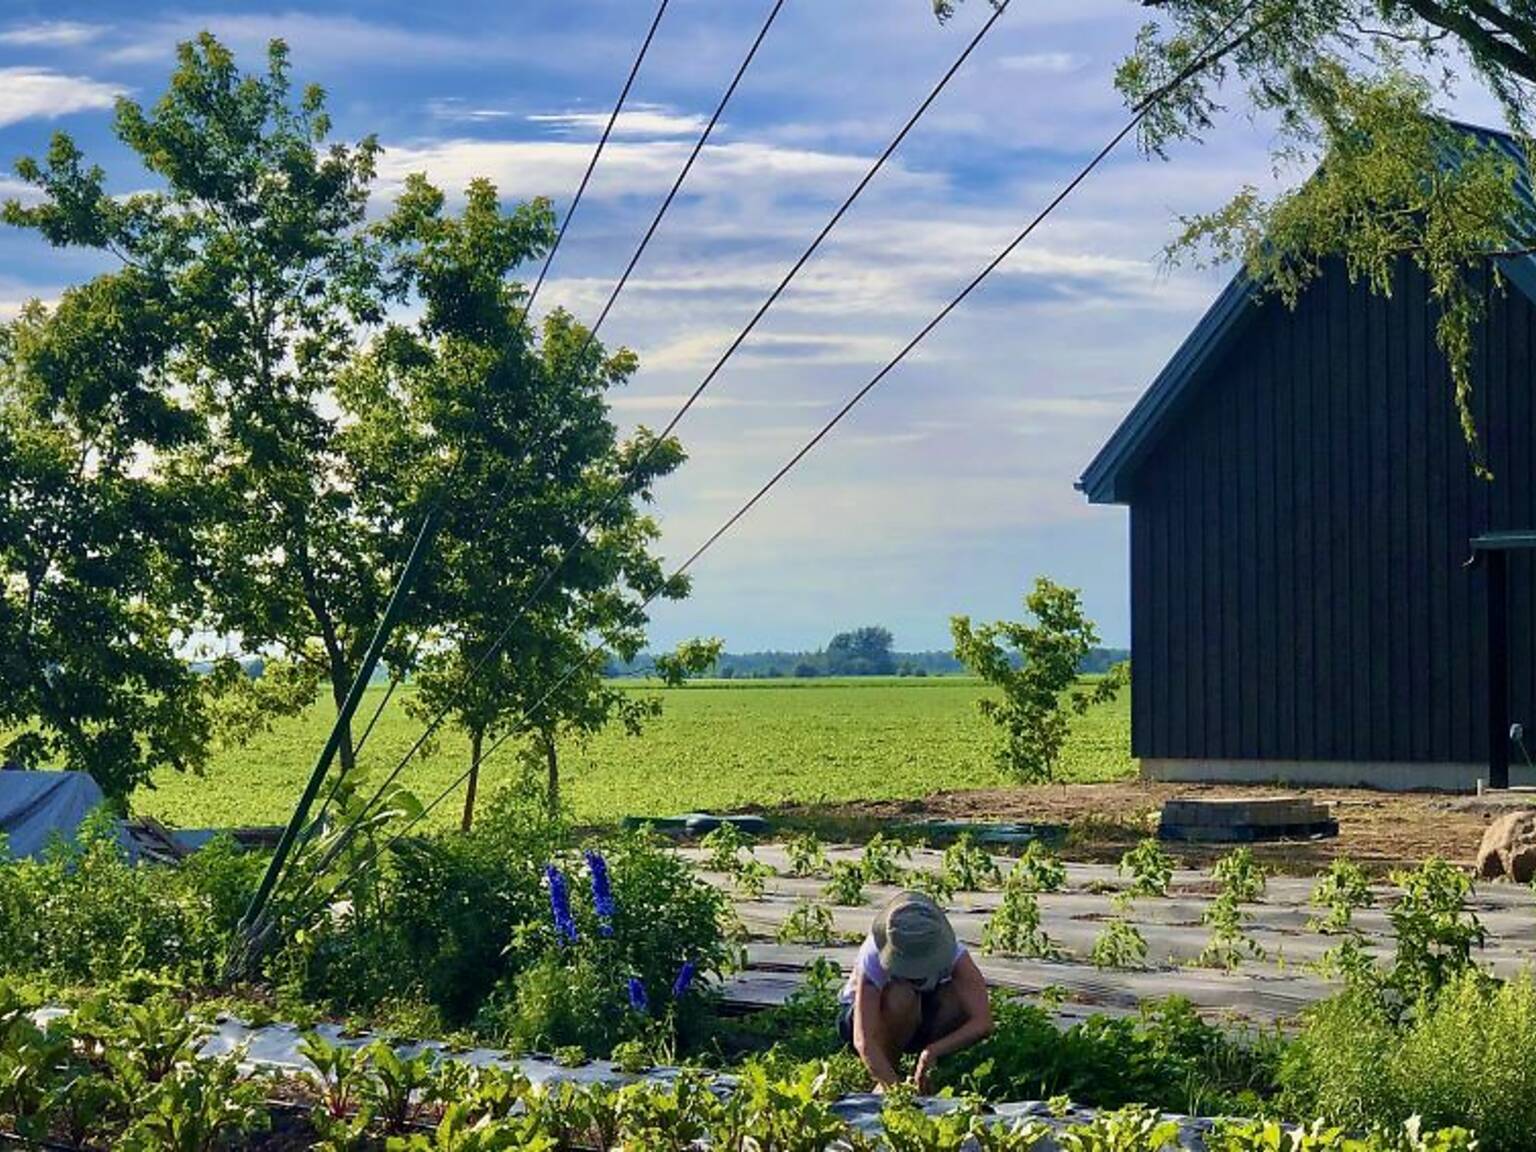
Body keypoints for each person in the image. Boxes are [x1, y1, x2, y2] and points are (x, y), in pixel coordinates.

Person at [838, 889, 992, 1092]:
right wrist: (896, 1092)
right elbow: (864, 1040)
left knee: (954, 999)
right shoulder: (873, 955)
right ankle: (887, 1072)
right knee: (901, 996)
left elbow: (982, 1022)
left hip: (920, 1021)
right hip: (869, 1020)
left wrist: (934, 1050)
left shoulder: (954, 954)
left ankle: (929, 1072)